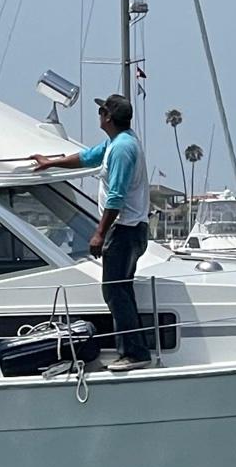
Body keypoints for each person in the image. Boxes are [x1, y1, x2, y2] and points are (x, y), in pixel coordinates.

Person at [30, 94, 153, 371]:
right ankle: (134, 349)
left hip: (125, 230)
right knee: (120, 290)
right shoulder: (117, 142)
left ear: (108, 117)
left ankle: (134, 353)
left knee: (115, 291)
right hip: (131, 229)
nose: (98, 114)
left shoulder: (123, 149)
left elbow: (116, 197)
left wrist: (99, 233)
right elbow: (86, 158)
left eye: (101, 111)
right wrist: (50, 163)